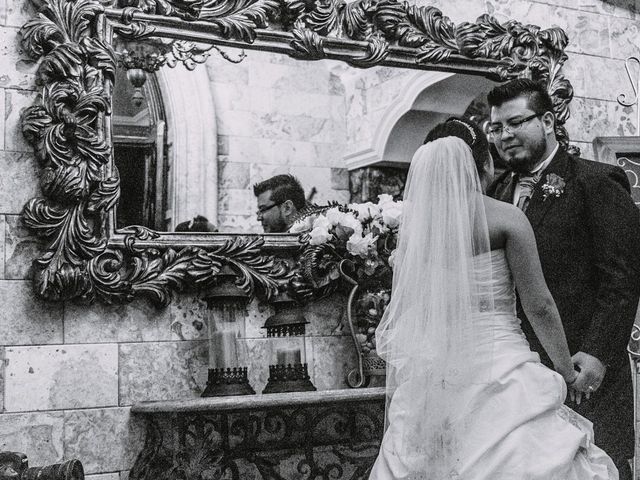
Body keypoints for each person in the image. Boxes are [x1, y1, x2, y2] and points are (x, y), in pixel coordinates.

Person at [369, 117, 619, 479]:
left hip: (434, 373)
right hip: (501, 362)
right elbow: (540, 305)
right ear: (483, 164)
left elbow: (411, 312)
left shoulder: (416, 232)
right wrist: (564, 370)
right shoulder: (506, 218)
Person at [486, 79, 640, 479]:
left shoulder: (596, 181)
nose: (505, 135)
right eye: (497, 128)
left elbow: (622, 279)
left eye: (516, 122)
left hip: (583, 368)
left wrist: (598, 352)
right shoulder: (497, 191)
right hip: (520, 373)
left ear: (549, 120)